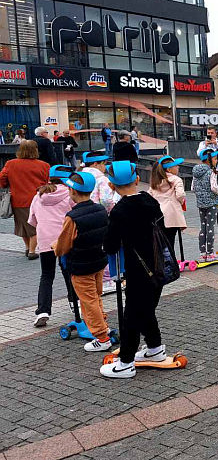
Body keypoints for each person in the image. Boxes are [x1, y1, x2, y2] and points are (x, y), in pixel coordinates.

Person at [100, 161, 169, 378]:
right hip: (158, 266)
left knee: (131, 314)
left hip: (138, 269)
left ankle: (126, 363)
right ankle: (155, 348)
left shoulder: (119, 211)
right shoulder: (150, 201)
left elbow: (110, 245)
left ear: (111, 186)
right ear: (137, 179)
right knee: (147, 309)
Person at [52, 171, 112, 352]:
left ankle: (102, 337)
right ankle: (103, 325)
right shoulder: (101, 209)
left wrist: (55, 247)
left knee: (88, 300)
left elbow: (63, 245)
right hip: (99, 261)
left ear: (72, 191)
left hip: (80, 265)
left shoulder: (72, 217)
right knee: (96, 296)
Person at [28, 165, 76, 328]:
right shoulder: (70, 194)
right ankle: (74, 305)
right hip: (65, 238)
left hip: (45, 239)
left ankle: (43, 311)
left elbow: (32, 220)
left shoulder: (38, 195)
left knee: (47, 275)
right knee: (69, 273)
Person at [0, 140, 49, 258]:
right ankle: (32, 251)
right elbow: (48, 182)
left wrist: (6, 185)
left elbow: (2, 178)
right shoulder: (44, 165)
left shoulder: (11, 163)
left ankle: (27, 248)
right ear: (35, 150)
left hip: (18, 199)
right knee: (36, 226)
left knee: (23, 226)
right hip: (38, 199)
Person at [148, 155, 187, 252]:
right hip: (172, 215)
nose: (178, 167)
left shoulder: (156, 181)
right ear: (169, 169)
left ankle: (163, 263)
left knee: (162, 243)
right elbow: (180, 195)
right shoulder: (176, 179)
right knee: (171, 242)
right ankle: (170, 263)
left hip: (159, 216)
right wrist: (181, 202)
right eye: (176, 165)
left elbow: (149, 195)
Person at [192, 149, 218, 263]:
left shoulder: (196, 172)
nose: (216, 161)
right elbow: (214, 187)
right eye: (215, 159)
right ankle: (210, 253)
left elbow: (193, 188)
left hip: (200, 203)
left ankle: (202, 254)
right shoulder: (212, 172)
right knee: (210, 227)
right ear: (209, 160)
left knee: (203, 227)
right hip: (211, 203)